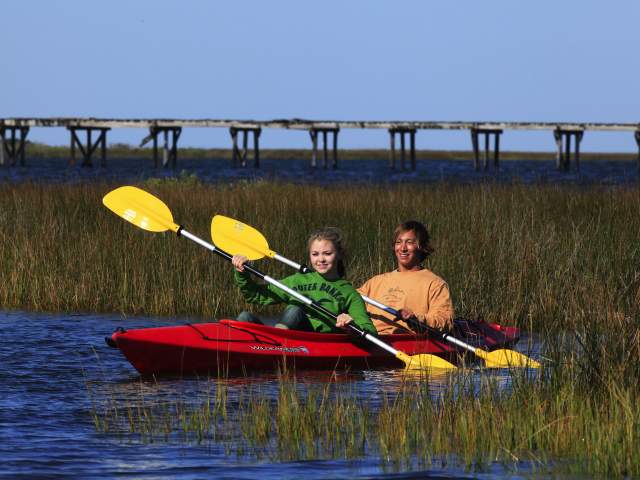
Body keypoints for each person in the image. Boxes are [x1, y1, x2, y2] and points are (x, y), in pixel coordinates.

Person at [231, 227, 377, 336]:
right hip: (286, 339)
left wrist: (351, 325)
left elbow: (370, 331)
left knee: (295, 309)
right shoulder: (297, 280)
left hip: (314, 341)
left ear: (339, 254)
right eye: (315, 254)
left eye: (327, 253)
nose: (320, 259)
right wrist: (242, 273)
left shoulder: (349, 292)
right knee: (244, 317)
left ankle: (277, 346)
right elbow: (255, 296)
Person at [358, 220, 454, 334]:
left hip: (407, 342)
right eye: (398, 242)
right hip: (370, 339)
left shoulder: (435, 284)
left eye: (409, 242)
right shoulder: (375, 282)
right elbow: (351, 301)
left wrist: (416, 319)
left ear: (421, 247)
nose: (403, 248)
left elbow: (444, 321)